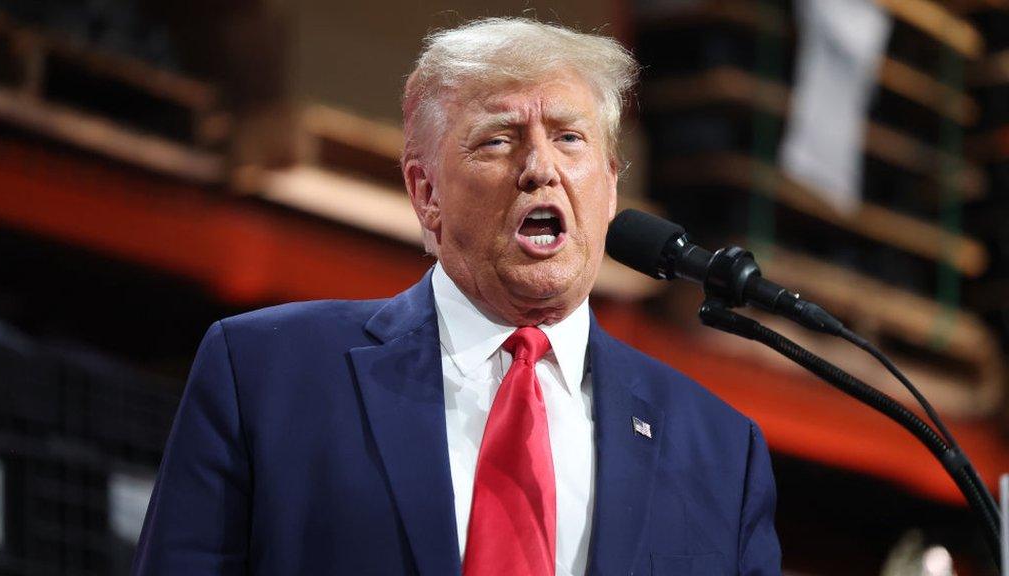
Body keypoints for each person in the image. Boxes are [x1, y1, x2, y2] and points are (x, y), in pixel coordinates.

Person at [132, 18, 781, 576]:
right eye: (498, 139)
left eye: (570, 138)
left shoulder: (721, 454)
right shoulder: (265, 374)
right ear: (425, 193)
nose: (540, 167)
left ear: (610, 188)